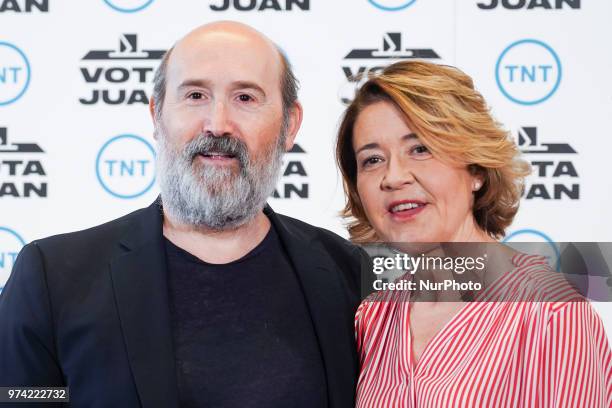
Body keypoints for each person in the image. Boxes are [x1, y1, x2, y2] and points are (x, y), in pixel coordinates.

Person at [0, 21, 362, 408]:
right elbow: (23, 400)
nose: (218, 123)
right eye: (195, 95)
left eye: (245, 98)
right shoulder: (53, 278)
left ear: (290, 125)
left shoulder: (350, 273)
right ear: (157, 116)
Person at [336, 60, 612, 407]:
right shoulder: (373, 317)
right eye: (372, 159)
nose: (393, 177)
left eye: (420, 149)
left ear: (476, 169)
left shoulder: (551, 313)